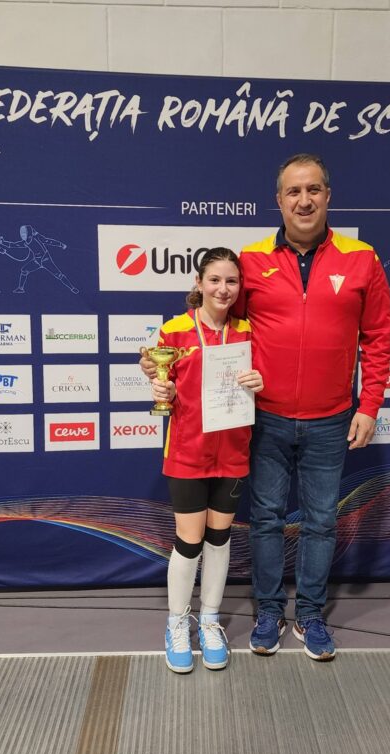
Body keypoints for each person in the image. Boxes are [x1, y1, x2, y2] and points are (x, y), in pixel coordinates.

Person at [230, 153, 390, 661]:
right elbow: (223, 330)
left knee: (321, 520)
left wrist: (369, 405)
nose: (304, 201)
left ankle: (311, 615)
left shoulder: (362, 258)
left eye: (314, 190)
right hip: (265, 416)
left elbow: (378, 337)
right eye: (294, 192)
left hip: (331, 418)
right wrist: (170, 361)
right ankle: (268, 611)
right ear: (278, 201)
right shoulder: (250, 259)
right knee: (265, 518)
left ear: (328, 196)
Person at [150, 248, 264, 674]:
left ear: (240, 286)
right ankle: (177, 622)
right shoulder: (174, 330)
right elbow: (163, 382)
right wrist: (162, 390)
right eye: (214, 279)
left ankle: (211, 620)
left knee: (219, 538)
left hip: (232, 451)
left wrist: (261, 379)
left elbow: (264, 379)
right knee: (189, 541)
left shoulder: (249, 330)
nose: (223, 288)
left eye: (231, 281)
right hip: (188, 451)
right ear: (198, 283)